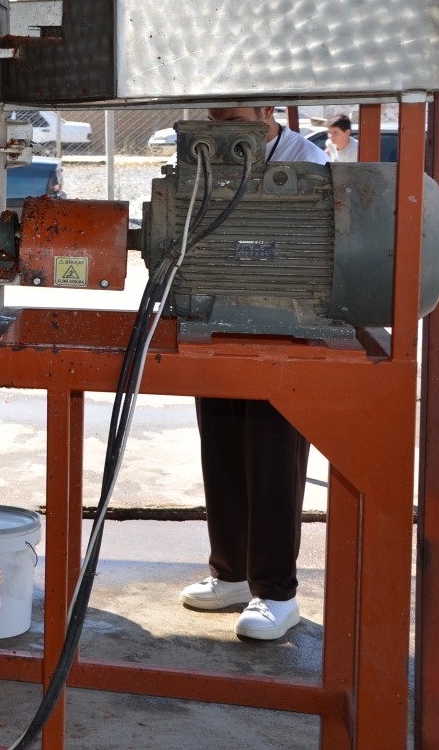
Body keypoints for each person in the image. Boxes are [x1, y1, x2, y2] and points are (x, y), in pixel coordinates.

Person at [180, 105, 327, 641]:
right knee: (219, 450)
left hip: (281, 333)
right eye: (216, 115)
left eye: (233, 114)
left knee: (271, 460)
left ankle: (276, 592)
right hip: (220, 324)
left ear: (266, 107)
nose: (222, 124)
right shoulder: (204, 155)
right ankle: (232, 573)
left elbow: (310, 247)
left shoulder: (305, 159)